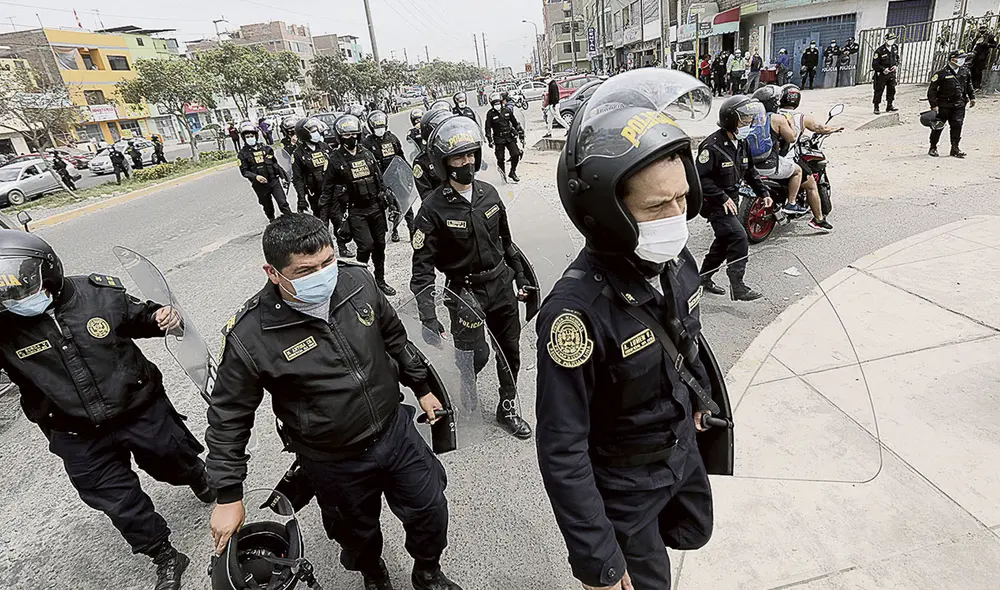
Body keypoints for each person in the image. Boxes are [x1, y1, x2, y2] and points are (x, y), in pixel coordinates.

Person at [206, 213, 463, 590]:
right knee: (355, 532)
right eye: (305, 270)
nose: (323, 274)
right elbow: (229, 415)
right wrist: (228, 496)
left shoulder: (357, 281)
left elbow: (395, 339)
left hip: (396, 432)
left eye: (327, 262)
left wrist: (423, 388)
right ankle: (373, 573)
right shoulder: (251, 335)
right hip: (333, 458)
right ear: (273, 273)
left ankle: (427, 571)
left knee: (430, 509)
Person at [538, 68, 719, 590]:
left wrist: (700, 400)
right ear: (607, 213)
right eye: (658, 206)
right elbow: (562, 448)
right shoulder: (575, 316)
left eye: (682, 198)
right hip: (625, 489)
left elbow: (685, 340)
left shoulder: (675, 259)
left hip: (680, 455)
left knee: (691, 532)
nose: (677, 217)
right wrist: (599, 559)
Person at [0, 230, 215, 590]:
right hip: (73, 431)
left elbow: (140, 318)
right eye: (8, 297)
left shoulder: (97, 294)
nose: (18, 301)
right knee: (117, 500)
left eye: (24, 291)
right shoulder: (4, 326)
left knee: (171, 459)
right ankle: (163, 554)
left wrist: (163, 318)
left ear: (49, 271)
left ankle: (197, 477)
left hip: (138, 408)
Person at [409, 115, 533, 440]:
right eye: (458, 157)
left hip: (501, 285)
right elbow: (421, 266)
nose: (466, 162)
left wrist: (520, 276)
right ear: (443, 162)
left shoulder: (489, 194)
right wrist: (426, 314)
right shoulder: (432, 210)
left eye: (470, 154)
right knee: (475, 355)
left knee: (510, 350)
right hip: (465, 294)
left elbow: (506, 242)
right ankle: (467, 389)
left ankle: (507, 406)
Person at [697, 95, 771, 300]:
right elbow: (700, 179)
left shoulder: (742, 142)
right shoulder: (712, 147)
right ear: (730, 120)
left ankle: (703, 278)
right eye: (744, 120)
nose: (748, 123)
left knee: (723, 241)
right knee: (738, 236)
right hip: (713, 203)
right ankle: (737, 285)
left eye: (749, 120)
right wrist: (721, 197)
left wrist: (763, 193)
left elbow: (750, 172)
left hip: (732, 201)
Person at [322, 114, 396, 295]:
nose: (351, 138)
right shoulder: (335, 159)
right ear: (339, 136)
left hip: (376, 208)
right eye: (346, 135)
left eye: (354, 134)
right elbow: (327, 191)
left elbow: (380, 181)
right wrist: (323, 221)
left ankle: (379, 280)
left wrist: (392, 201)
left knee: (380, 245)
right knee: (365, 246)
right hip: (356, 210)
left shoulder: (368, 154)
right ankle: (359, 279)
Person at [776, 83, 842, 226]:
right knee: (811, 184)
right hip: (787, 160)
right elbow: (821, 128)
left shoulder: (772, 114)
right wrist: (835, 129)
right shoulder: (801, 118)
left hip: (768, 158)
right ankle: (818, 220)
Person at [291, 118, 351, 256]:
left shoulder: (324, 147)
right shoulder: (299, 154)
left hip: (333, 193)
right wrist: (301, 198)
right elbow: (298, 179)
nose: (316, 133)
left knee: (338, 221)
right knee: (322, 225)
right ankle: (327, 252)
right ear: (304, 134)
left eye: (317, 130)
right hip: (316, 196)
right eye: (313, 131)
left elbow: (336, 166)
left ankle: (342, 248)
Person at [749, 86, 807, 216]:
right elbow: (792, 138)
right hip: (768, 165)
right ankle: (791, 203)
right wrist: (791, 123)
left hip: (749, 165)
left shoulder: (750, 118)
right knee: (798, 171)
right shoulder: (777, 118)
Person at [362, 110, 407, 243]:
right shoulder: (367, 143)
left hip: (396, 177)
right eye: (376, 127)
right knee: (386, 208)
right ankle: (393, 231)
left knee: (404, 205)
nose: (379, 129)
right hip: (379, 180)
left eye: (381, 126)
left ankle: (411, 229)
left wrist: (408, 173)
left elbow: (401, 156)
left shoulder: (392, 138)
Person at [237, 121, 292, 221]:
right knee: (268, 207)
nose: (250, 138)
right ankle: (272, 221)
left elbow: (275, 164)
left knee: (283, 202)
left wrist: (284, 177)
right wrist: (256, 177)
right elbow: (244, 171)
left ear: (256, 136)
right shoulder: (242, 154)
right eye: (247, 136)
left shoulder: (266, 149)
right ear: (244, 138)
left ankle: (291, 222)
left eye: (251, 135)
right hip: (259, 185)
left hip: (274, 181)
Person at [927, 50, 975, 158]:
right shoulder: (941, 73)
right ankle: (933, 147)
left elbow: (969, 85)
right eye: (960, 58)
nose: (962, 60)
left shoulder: (964, 71)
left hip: (959, 105)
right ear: (953, 59)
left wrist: (972, 98)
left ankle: (955, 148)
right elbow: (932, 91)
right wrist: (934, 105)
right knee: (938, 126)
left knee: (957, 126)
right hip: (944, 105)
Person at [484, 92, 525, 184]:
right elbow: (488, 127)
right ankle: (503, 176)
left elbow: (515, 122)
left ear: (501, 102)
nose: (497, 105)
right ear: (492, 104)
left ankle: (512, 171)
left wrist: (520, 132)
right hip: (499, 138)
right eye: (495, 104)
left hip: (509, 137)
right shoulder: (490, 114)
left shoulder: (507, 111)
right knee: (500, 158)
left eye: (498, 103)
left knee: (516, 154)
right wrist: (489, 139)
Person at [278, 115, 306, 211]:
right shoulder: (284, 141)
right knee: (300, 193)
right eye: (289, 130)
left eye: (293, 129)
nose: (292, 132)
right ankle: (301, 210)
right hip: (295, 171)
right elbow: (285, 155)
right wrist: (292, 144)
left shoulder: (302, 137)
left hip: (306, 166)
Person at [872, 32, 900, 114]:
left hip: (891, 74)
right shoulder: (879, 51)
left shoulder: (895, 48)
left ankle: (889, 105)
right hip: (881, 75)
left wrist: (895, 65)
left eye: (893, 39)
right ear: (885, 40)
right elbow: (874, 65)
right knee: (878, 91)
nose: (891, 41)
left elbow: (897, 58)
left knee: (892, 90)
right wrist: (883, 69)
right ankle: (876, 107)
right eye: (890, 40)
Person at [968, 23, 998, 90]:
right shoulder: (977, 37)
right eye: (981, 28)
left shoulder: (990, 36)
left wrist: (987, 44)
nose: (982, 29)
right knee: (972, 70)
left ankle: (977, 86)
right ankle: (972, 85)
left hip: (982, 56)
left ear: (986, 29)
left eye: (984, 28)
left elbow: (995, 45)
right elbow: (973, 45)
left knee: (978, 70)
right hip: (974, 55)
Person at [544, 73, 570, 137]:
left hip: (554, 105)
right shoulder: (550, 84)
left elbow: (555, 96)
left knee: (558, 118)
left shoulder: (553, 85)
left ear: (551, 78)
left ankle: (568, 128)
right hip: (552, 105)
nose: (546, 80)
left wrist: (554, 105)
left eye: (547, 78)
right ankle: (549, 133)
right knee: (549, 120)